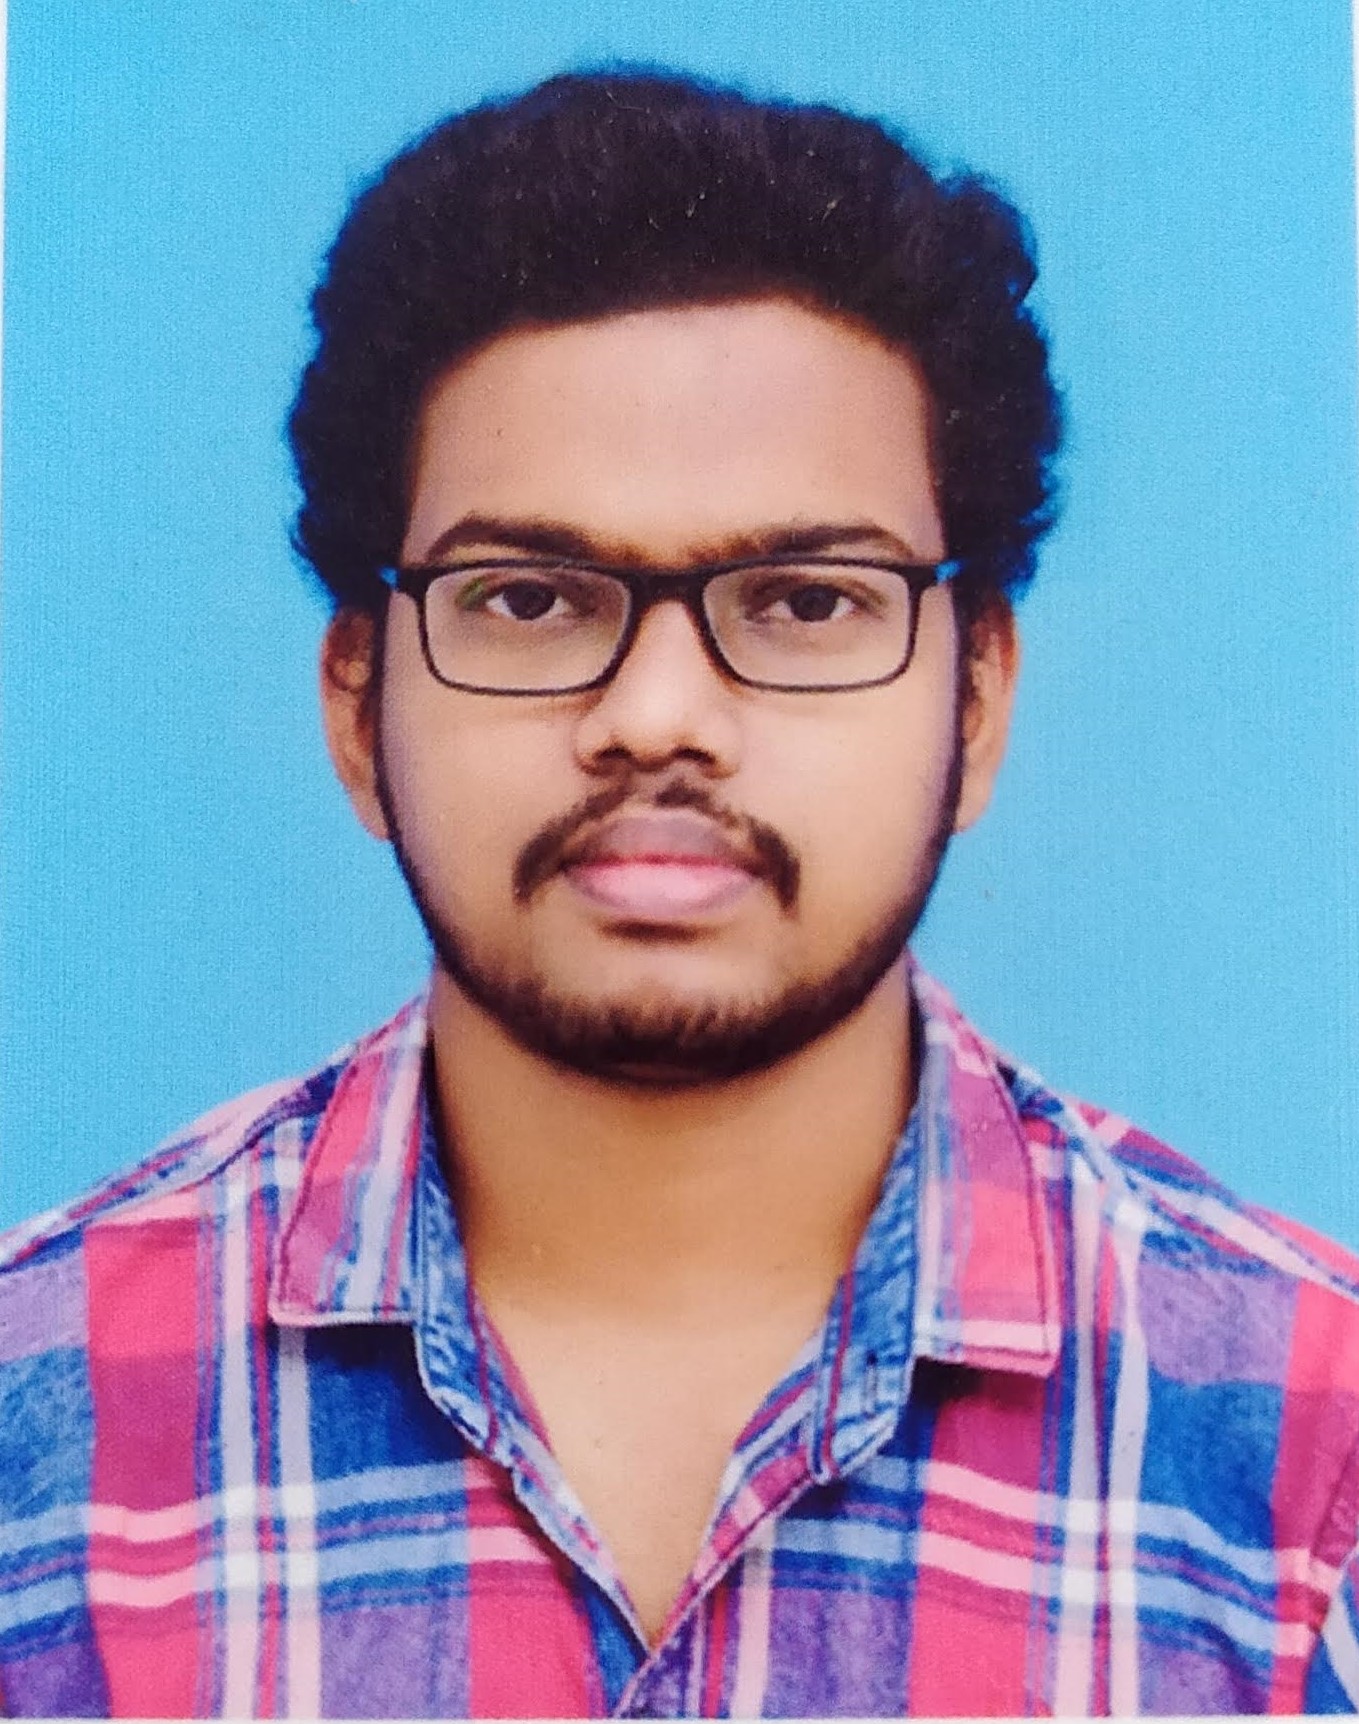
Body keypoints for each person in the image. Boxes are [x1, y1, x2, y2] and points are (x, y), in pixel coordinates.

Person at [2, 68, 1357, 1720]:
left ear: (980, 700)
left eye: (805, 600)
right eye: (528, 598)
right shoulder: (35, 1425)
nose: (657, 715)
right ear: (356, 701)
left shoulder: (1312, 1463)